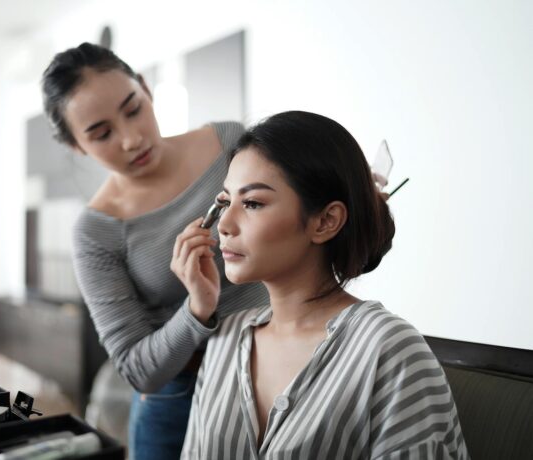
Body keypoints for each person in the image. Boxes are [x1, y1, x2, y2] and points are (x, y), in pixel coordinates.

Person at [176, 111, 468, 458]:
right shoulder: (226, 340)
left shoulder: (388, 349)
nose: (224, 224)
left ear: (326, 221)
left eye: (252, 203)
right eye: (225, 202)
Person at [40, 43, 268, 459]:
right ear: (76, 145)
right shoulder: (96, 232)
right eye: (102, 133)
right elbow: (138, 369)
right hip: (178, 400)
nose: (132, 138)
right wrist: (198, 308)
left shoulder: (230, 142)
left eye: (133, 108)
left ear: (146, 88)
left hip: (277, 370)